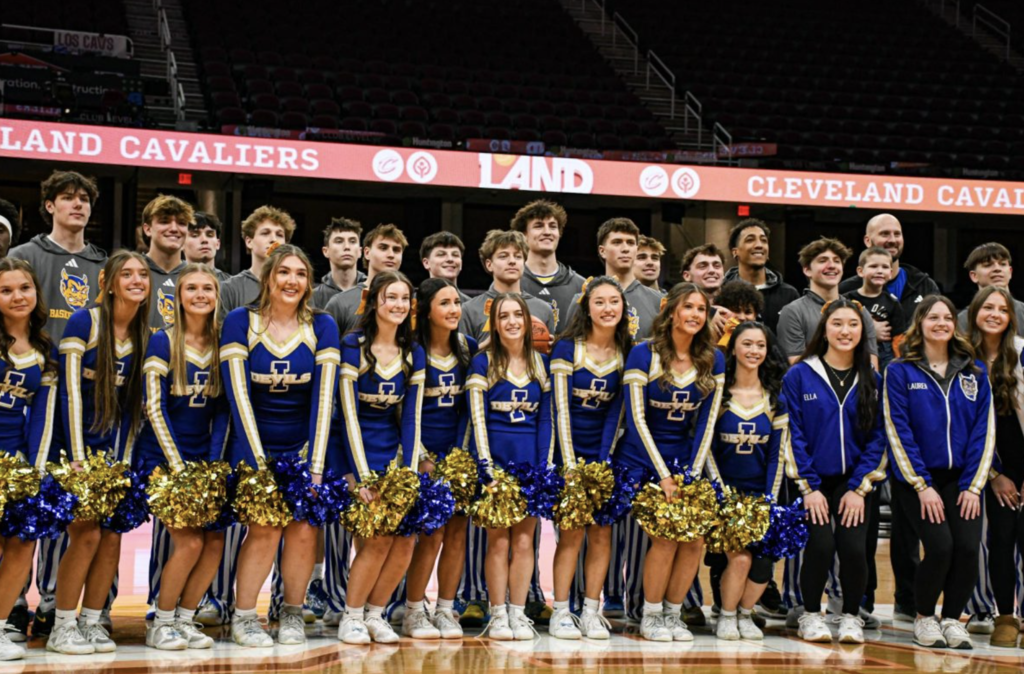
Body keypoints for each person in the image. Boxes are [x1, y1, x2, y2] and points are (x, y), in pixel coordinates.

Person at [220, 244, 339, 647]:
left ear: (309, 283)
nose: (292, 281)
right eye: (284, 272)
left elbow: (324, 399)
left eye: (301, 274)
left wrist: (316, 464)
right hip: (252, 445)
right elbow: (238, 397)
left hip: (303, 447)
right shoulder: (240, 321)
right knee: (266, 528)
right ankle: (244, 616)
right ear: (268, 278)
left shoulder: (322, 326)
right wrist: (257, 465)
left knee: (305, 529)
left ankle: (290, 611)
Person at [8, 170, 108, 639]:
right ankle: (12, 605)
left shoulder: (101, 263)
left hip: (86, 399)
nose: (77, 206)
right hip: (33, 387)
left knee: (63, 505)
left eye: (84, 199)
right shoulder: (23, 257)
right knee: (26, 505)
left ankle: (52, 600)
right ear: (48, 205)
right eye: (67, 198)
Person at [49, 250, 150, 655]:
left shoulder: (144, 333)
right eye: (126, 274)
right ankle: (61, 624)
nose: (137, 280)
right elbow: (70, 394)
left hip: (113, 453)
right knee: (86, 535)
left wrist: (122, 461)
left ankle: (92, 621)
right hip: (72, 448)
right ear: (107, 281)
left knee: (112, 537)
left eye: (142, 274)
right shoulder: (84, 321)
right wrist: (76, 458)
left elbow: (133, 410)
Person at [614, 282, 725, 642]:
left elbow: (707, 422)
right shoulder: (643, 353)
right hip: (640, 457)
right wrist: (664, 476)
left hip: (683, 459)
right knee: (663, 537)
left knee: (693, 539)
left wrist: (691, 475)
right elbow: (636, 418)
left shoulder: (713, 358)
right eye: (688, 307)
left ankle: (673, 614)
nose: (695, 315)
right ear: (671, 311)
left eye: (701, 310)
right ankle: (649, 613)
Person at [456, 229, 554, 628]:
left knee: (525, 541)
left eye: (518, 315)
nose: (512, 321)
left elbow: (546, 419)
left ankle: (518, 612)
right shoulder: (482, 364)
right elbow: (477, 421)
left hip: (530, 464)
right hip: (495, 466)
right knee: (498, 541)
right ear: (493, 323)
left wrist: (544, 467)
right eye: (504, 316)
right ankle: (498, 614)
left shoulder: (539, 364)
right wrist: (487, 469)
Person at [885, 295, 994, 649]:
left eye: (948, 317)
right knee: (941, 547)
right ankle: (924, 617)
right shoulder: (900, 370)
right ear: (920, 324)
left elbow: (983, 432)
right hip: (918, 481)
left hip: (962, 479)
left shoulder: (975, 373)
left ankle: (952, 619)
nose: (942, 323)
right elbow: (898, 430)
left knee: (966, 547)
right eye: (933, 317)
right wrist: (921, 485)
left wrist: (974, 486)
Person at [782, 298, 887, 644]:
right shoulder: (800, 374)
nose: (845, 331)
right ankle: (811, 614)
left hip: (853, 481)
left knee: (855, 548)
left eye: (853, 325)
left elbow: (879, 437)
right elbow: (792, 432)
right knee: (821, 545)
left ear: (862, 332)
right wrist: (809, 487)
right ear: (824, 330)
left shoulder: (872, 377)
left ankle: (850, 616)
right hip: (812, 480)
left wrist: (858, 488)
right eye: (837, 323)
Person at [135, 264, 227, 651]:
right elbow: (154, 409)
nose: (200, 294)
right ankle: (162, 619)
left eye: (208, 288)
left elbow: (225, 409)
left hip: (202, 459)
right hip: (162, 458)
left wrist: (212, 462)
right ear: (178, 296)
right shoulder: (162, 341)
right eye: (192, 288)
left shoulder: (224, 343)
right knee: (189, 543)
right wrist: (179, 468)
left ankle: (187, 619)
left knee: (215, 541)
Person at [336, 271, 425, 645]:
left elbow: (412, 416)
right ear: (375, 302)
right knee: (373, 540)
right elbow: (346, 414)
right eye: (391, 297)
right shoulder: (352, 345)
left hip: (392, 453)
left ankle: (376, 613)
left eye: (405, 298)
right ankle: (351, 616)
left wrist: (407, 474)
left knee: (403, 540)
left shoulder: (412, 352)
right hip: (354, 453)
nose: (399, 305)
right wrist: (360, 475)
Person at [548, 277, 631, 641]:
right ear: (586, 308)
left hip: (605, 454)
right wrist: (570, 466)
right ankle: (561, 611)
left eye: (615, 302)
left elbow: (618, 413)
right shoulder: (567, 348)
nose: (608, 308)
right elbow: (560, 409)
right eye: (600, 302)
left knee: (601, 533)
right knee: (570, 534)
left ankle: (592, 609)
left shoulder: (629, 352)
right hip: (566, 453)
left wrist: (602, 463)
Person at [400, 278, 477, 640]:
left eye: (457, 302)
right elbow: (405, 411)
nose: (453, 310)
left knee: (457, 535)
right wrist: (420, 458)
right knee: (431, 535)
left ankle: (446, 608)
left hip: (457, 454)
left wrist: (459, 456)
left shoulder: (468, 348)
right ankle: (414, 610)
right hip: (421, 456)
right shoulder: (411, 350)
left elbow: (469, 410)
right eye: (444, 303)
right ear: (426, 310)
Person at [711, 321, 786, 641]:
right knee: (739, 560)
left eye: (760, 345)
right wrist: (722, 495)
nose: (754, 351)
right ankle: (727, 616)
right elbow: (708, 449)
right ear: (734, 348)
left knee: (762, 567)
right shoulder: (719, 393)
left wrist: (769, 500)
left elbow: (776, 456)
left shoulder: (774, 398)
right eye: (747, 344)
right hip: (726, 495)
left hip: (762, 495)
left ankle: (745, 613)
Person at [0, 258, 59, 660]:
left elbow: (43, 418)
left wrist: (34, 471)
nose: (18, 296)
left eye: (24, 288)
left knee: (22, 544)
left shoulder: (44, 349)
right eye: (6, 290)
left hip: (19, 460)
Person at [963, 286, 1024, 647]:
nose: (995, 314)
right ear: (975, 312)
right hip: (988, 466)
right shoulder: (963, 358)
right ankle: (1004, 615)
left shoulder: (1021, 353)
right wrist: (995, 476)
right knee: (999, 540)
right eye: (988, 307)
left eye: (1002, 309)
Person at [777, 237, 879, 367]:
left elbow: (871, 365)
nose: (831, 265)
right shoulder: (793, 312)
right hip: (811, 386)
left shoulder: (859, 311)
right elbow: (796, 367)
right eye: (823, 260)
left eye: (837, 261)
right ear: (807, 270)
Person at [562, 218, 662, 343]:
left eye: (630, 243)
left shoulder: (658, 301)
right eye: (617, 242)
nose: (625, 249)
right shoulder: (583, 299)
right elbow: (568, 350)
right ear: (602, 251)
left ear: (636, 249)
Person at [460, 229, 555, 347]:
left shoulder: (544, 309)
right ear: (489, 264)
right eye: (503, 256)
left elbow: (549, 360)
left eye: (518, 256)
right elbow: (462, 359)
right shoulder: (469, 310)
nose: (512, 261)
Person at [839, 213, 940, 321]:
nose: (892, 240)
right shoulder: (847, 290)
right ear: (867, 241)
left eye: (897, 234)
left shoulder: (925, 286)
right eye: (884, 234)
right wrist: (868, 328)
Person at [513, 199, 584, 332]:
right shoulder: (512, 281)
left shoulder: (580, 285)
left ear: (559, 234)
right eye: (538, 226)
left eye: (552, 226)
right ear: (523, 235)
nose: (547, 232)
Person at [325, 224, 406, 337]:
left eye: (396, 250)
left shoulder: (409, 302)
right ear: (367, 253)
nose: (391, 255)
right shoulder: (340, 302)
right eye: (383, 248)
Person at [722, 219, 798, 332]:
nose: (759, 245)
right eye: (750, 240)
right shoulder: (721, 292)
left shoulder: (789, 294)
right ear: (735, 252)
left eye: (763, 241)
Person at [219, 206, 295, 315]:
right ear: (249, 242)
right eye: (265, 233)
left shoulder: (294, 286)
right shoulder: (229, 288)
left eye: (279, 235)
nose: (274, 239)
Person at [844, 247, 906, 369]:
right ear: (860, 271)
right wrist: (870, 331)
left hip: (885, 354)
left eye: (885, 267)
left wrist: (900, 364)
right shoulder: (847, 299)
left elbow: (898, 339)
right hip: (853, 352)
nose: (879, 271)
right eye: (873, 266)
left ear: (891, 272)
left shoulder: (893, 303)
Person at [139, 195, 192, 330]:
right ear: (147, 229)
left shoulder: (196, 276)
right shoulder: (129, 271)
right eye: (164, 221)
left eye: (181, 223)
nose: (174, 228)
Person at [957, 243, 1024, 334]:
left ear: (1010, 272)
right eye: (987, 265)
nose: (997, 269)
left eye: (1003, 264)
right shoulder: (963, 320)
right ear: (974, 276)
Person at [311, 217, 365, 310]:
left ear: (360, 251)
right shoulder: (313, 297)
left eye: (352, 241)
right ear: (325, 251)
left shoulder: (373, 291)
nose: (347, 247)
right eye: (339, 241)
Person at [420, 231, 471, 302]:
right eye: (441, 254)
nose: (450, 259)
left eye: (455, 255)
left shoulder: (472, 307)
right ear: (426, 263)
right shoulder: (411, 303)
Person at [184, 212, 230, 282]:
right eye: (195, 235)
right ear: (181, 244)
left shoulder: (232, 285)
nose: (204, 240)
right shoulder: (170, 281)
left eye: (210, 235)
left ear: (218, 244)